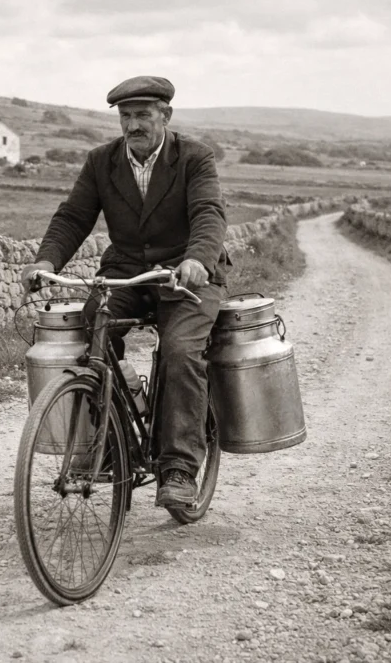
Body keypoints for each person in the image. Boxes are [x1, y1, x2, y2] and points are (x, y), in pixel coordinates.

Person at [21, 75, 230, 508]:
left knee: (180, 350)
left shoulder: (194, 157)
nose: (133, 125)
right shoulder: (102, 161)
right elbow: (74, 217)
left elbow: (208, 212)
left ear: (165, 115)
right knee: (90, 332)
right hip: (126, 272)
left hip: (186, 275)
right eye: (125, 116)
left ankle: (179, 468)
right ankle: (112, 438)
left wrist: (197, 259)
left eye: (143, 115)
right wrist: (46, 262)